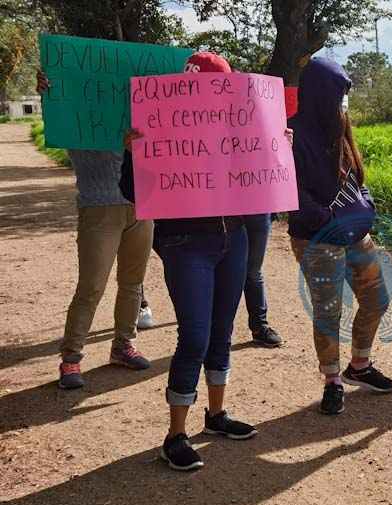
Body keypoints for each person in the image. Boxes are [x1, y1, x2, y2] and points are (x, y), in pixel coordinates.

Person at [123, 52, 273, 470]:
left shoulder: (242, 129)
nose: (213, 96)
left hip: (234, 240)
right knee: (195, 337)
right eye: (204, 87)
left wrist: (277, 150)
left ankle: (216, 416)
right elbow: (133, 192)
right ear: (186, 88)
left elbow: (265, 186)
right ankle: (175, 436)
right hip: (185, 245)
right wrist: (134, 154)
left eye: (221, 87)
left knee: (222, 331)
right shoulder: (158, 128)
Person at [288, 57, 392, 416]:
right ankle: (332, 380)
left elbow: (353, 178)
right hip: (316, 237)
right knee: (328, 311)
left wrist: (364, 204)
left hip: (351, 232)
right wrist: (325, 217)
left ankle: (360, 365)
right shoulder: (291, 135)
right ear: (320, 94)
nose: (344, 101)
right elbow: (290, 193)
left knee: (376, 297)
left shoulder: (340, 127)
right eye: (339, 93)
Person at [37, 70, 154, 390]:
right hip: (98, 209)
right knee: (91, 286)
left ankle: (123, 346)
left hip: (142, 206)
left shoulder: (137, 117)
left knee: (133, 283)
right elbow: (58, 124)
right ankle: (71, 357)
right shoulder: (78, 117)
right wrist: (48, 95)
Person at [242, 212, 284, 347]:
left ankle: (259, 327)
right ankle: (210, 326)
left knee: (253, 272)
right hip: (221, 212)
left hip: (258, 211)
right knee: (222, 271)